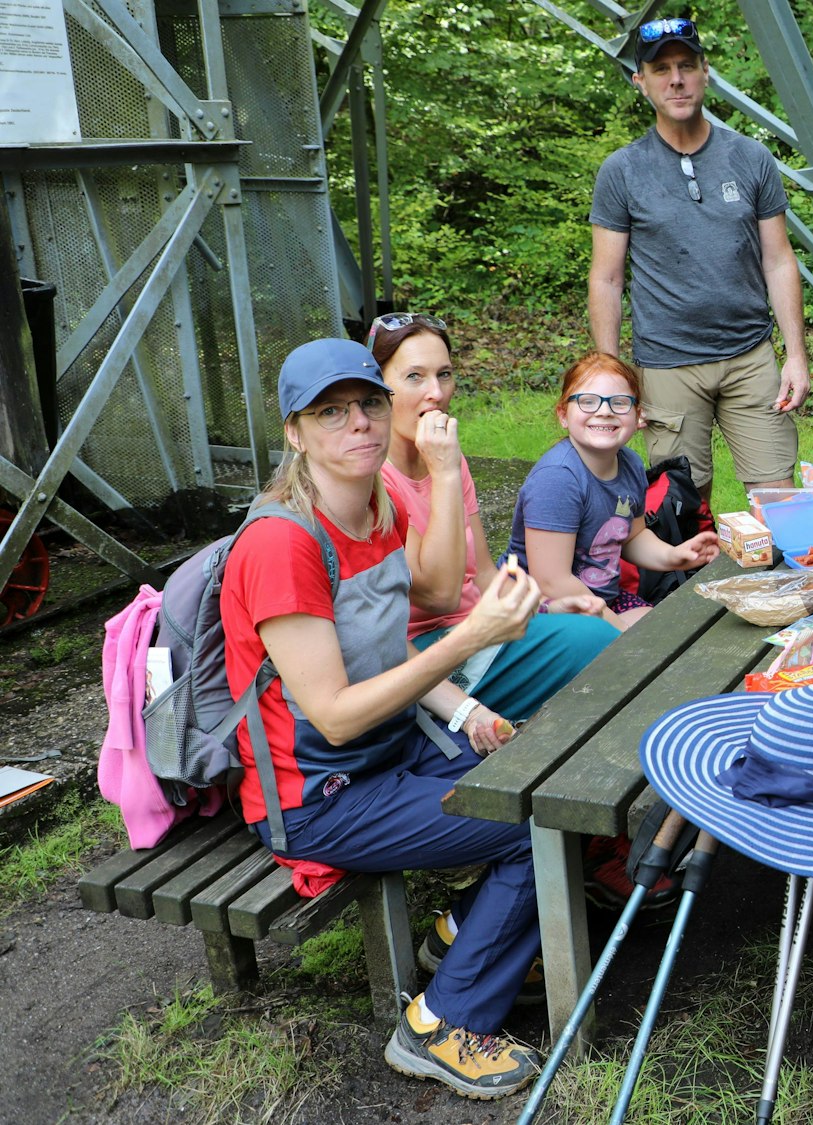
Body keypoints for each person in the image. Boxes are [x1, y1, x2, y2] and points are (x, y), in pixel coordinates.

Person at [220, 338, 546, 1098]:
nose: (358, 423)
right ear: (295, 433)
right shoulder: (281, 544)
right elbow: (333, 716)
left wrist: (467, 708)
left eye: (368, 403)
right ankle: (439, 1023)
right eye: (329, 413)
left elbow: (396, 624)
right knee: (534, 816)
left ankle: (462, 936)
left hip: (388, 751)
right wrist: (469, 640)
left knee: (544, 767)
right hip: (318, 797)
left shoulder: (379, 506)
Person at [589, 15, 809, 501]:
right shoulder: (622, 170)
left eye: (686, 66)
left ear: (705, 72)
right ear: (640, 81)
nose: (676, 79)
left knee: (779, 504)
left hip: (750, 357)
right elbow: (606, 279)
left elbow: (778, 261)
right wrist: (610, 373)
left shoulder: (750, 158)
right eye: (661, 69)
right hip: (667, 366)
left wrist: (795, 356)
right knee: (681, 512)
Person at [370, 313, 620, 720]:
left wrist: (541, 610)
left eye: (444, 375)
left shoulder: (450, 460)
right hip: (424, 655)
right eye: (414, 377)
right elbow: (440, 596)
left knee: (599, 634)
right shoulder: (376, 480)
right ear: (378, 388)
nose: (436, 393)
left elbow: (484, 574)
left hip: (484, 627)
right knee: (600, 646)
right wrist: (444, 472)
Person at [509, 352, 718, 632]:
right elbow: (552, 581)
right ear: (563, 415)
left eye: (619, 402)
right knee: (643, 649)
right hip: (540, 608)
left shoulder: (630, 463)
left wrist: (673, 555)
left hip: (603, 598)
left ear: (638, 415)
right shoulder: (557, 479)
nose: (604, 411)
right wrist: (618, 630)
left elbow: (633, 536)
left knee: (672, 632)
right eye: (588, 401)